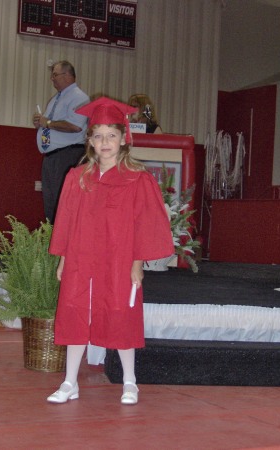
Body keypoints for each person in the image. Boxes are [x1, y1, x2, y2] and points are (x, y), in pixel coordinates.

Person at [46, 97, 174, 405]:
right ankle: (69, 382)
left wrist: (137, 264)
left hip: (118, 262)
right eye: (98, 135)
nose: (105, 142)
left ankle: (130, 382)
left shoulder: (137, 180)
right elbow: (65, 221)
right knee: (75, 315)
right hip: (80, 259)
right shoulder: (77, 179)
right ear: (89, 140)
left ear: (124, 139)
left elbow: (145, 225)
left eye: (111, 135)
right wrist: (63, 259)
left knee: (121, 316)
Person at [32, 60, 90, 223]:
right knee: (50, 202)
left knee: (61, 201)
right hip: (52, 156)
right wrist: (41, 125)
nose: (52, 78)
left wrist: (48, 123)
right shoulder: (56, 99)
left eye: (55, 75)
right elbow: (51, 124)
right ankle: (52, 240)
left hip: (67, 155)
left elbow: (76, 126)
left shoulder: (78, 97)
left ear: (68, 75)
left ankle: (61, 243)